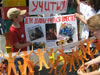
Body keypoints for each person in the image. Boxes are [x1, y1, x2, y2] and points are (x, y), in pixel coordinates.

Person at [7, 8, 32, 74]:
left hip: (25, 52)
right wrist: (28, 44)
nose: (22, 16)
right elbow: (17, 45)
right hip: (18, 54)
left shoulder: (21, 24)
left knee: (27, 67)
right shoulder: (12, 30)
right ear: (15, 18)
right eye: (20, 15)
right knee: (21, 70)